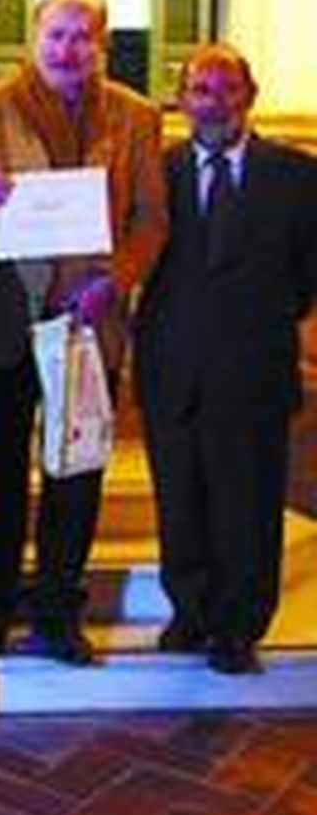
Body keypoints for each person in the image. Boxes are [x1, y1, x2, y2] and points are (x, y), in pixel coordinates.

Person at [0, 0, 168, 664]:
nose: (67, 49)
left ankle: (56, 613)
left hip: (86, 320)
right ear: (33, 37)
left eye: (81, 37)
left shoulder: (135, 116)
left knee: (76, 472)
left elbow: (150, 218)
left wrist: (118, 280)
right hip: (7, 318)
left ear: (100, 44)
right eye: (55, 35)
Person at [135, 44, 317, 675]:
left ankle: (237, 627)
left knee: (248, 506)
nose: (214, 103)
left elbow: (307, 277)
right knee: (179, 500)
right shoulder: (156, 172)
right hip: (171, 371)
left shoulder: (297, 175)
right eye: (201, 91)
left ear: (251, 95)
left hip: (254, 372)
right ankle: (189, 612)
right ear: (182, 100)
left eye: (227, 90)